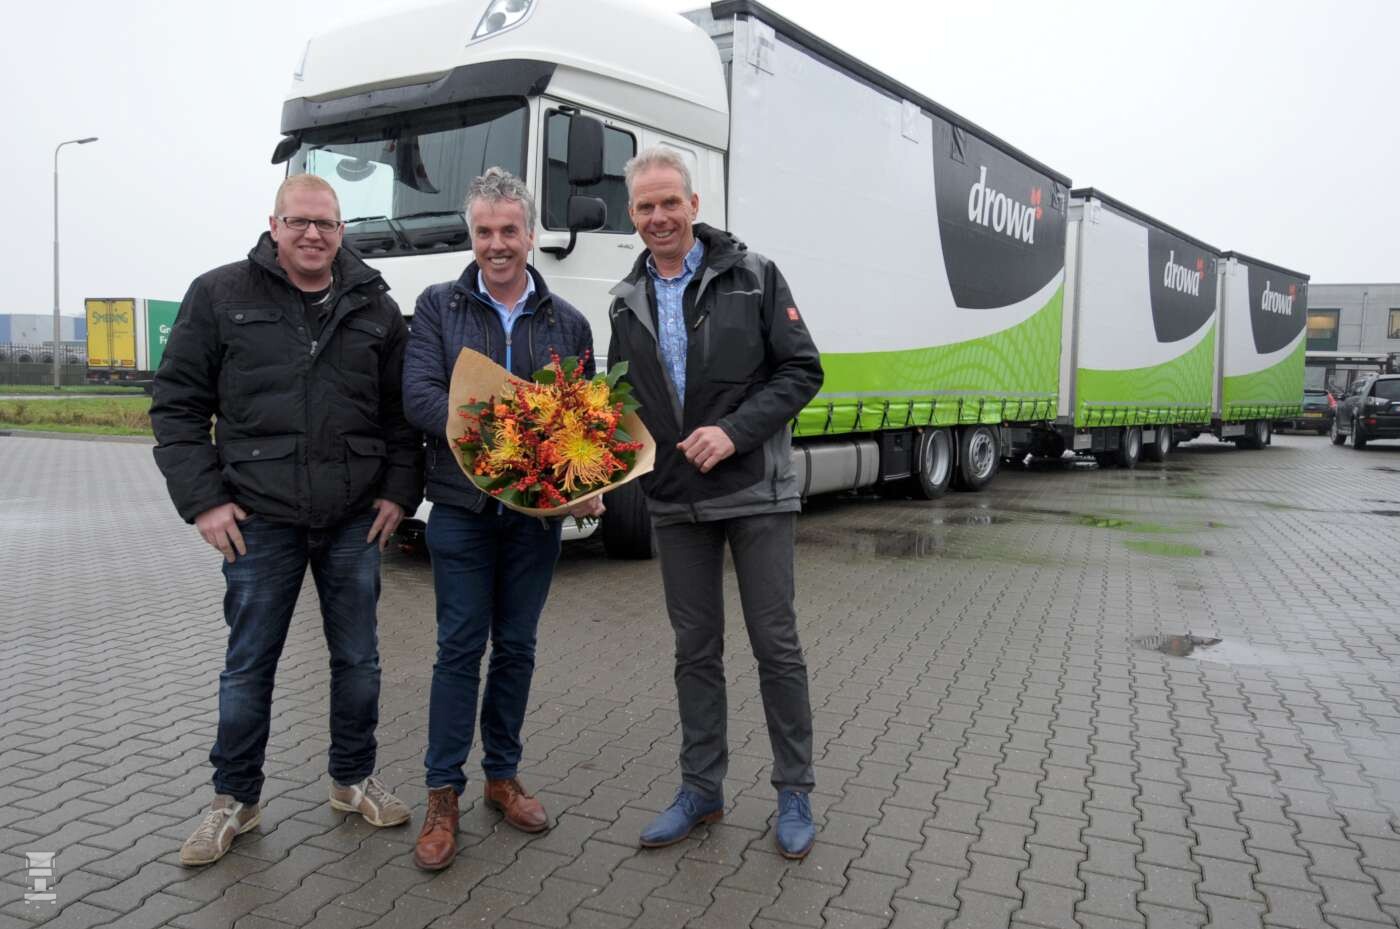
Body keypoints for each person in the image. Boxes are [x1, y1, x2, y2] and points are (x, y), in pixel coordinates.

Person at [150, 174, 423, 867]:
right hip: (259, 517)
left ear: (341, 230)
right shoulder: (220, 295)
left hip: (354, 517)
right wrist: (204, 500)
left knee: (358, 660)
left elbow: (400, 417)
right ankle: (235, 800)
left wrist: (398, 492)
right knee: (248, 666)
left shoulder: (375, 305)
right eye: (298, 221)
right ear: (273, 225)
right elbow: (177, 404)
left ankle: (352, 779)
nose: (312, 234)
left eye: (325, 223)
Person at [606, 147, 824, 859]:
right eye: (646, 206)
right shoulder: (625, 299)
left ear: (694, 205)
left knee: (776, 646)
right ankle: (702, 788)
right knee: (694, 652)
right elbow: (623, 403)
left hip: (754, 490)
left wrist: (733, 432)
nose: (659, 216)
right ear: (632, 214)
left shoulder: (753, 275)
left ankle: (794, 790)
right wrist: (594, 477)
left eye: (670, 202)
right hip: (676, 502)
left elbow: (802, 370)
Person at [402, 167, 602, 871]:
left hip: (535, 518)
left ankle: (503, 776)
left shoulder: (568, 321)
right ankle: (442, 793)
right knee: (459, 648)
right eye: (484, 232)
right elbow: (419, 395)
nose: (496, 244)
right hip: (460, 509)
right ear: (472, 236)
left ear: (530, 234)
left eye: (508, 230)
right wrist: (503, 436)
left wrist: (587, 480)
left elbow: (583, 419)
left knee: (516, 646)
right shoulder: (438, 306)